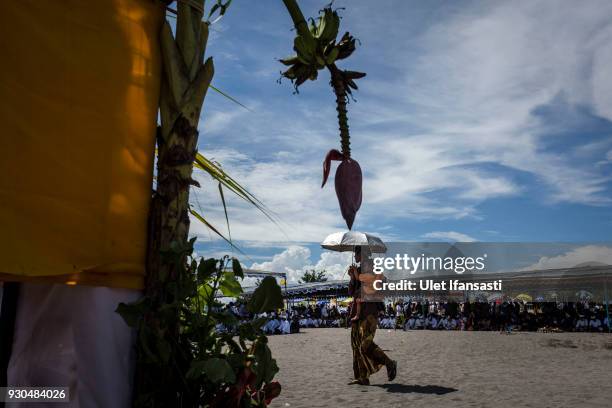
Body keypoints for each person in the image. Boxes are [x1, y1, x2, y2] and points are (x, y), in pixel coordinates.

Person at [347, 246, 397, 385]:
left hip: (369, 312)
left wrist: (358, 276)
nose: (355, 256)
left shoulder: (373, 267)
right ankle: (362, 377)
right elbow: (352, 292)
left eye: (356, 253)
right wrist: (352, 278)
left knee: (365, 344)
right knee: (356, 345)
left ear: (362, 254)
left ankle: (389, 363)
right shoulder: (358, 269)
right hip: (358, 312)